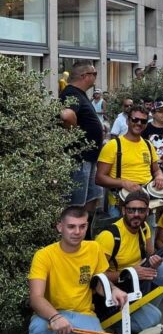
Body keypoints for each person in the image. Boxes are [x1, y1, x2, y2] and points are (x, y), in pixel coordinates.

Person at [28, 207, 128, 334]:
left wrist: (113, 290)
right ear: (60, 227)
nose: (77, 231)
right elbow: (36, 297)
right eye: (71, 226)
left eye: (82, 226)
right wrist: (55, 317)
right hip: (52, 314)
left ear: (87, 226)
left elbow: (99, 282)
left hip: (83, 313)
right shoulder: (44, 255)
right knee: (38, 329)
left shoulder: (94, 248)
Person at [95, 191, 163, 331]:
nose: (136, 214)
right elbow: (97, 277)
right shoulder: (109, 236)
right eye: (131, 210)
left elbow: (150, 255)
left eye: (141, 210)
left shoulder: (144, 228)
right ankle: (119, 323)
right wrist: (130, 272)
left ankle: (141, 310)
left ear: (147, 212)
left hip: (135, 281)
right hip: (114, 289)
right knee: (154, 318)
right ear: (123, 210)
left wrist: (154, 262)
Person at [96, 105, 163, 218]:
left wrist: (159, 177)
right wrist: (123, 183)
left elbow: (156, 170)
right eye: (135, 119)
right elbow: (99, 178)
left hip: (146, 200)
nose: (139, 123)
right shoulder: (113, 145)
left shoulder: (148, 145)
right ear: (128, 121)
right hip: (120, 203)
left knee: (147, 234)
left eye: (143, 121)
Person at [60, 62, 104, 230]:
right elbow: (66, 114)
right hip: (79, 158)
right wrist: (75, 133)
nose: (95, 77)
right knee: (76, 204)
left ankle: (86, 235)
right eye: (95, 73)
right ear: (84, 76)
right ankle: (72, 237)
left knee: (93, 197)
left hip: (90, 158)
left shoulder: (80, 94)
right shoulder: (71, 93)